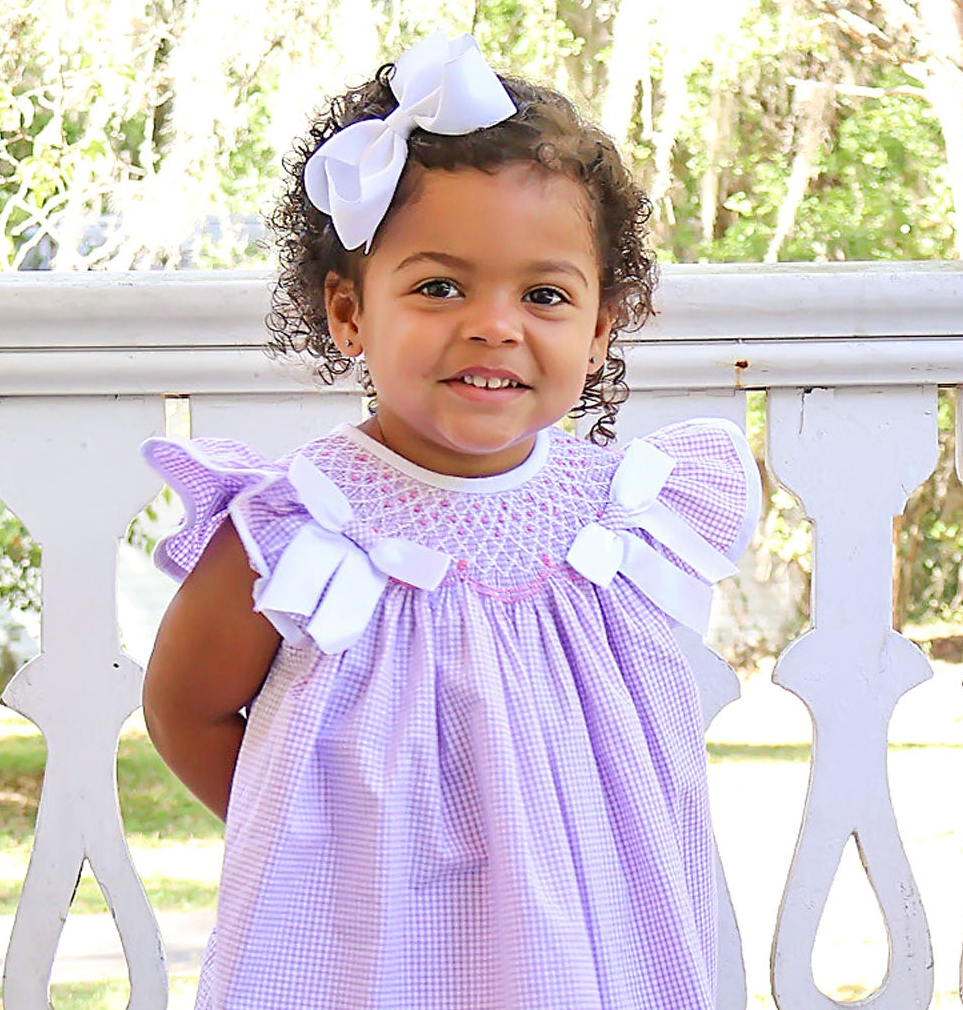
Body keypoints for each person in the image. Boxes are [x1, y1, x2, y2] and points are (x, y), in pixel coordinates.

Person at [141, 32, 760, 1010]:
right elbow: (184, 707)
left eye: (545, 294)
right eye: (438, 286)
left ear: (601, 327)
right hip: (373, 948)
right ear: (348, 312)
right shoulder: (304, 529)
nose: (493, 323)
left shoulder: (623, 515)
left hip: (596, 941)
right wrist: (318, 847)